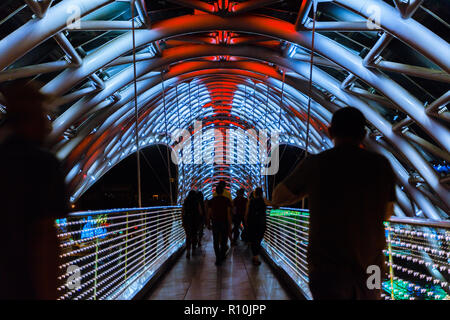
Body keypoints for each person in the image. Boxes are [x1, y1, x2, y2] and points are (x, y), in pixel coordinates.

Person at [272, 107, 396, 300]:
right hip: (372, 267)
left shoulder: (317, 163)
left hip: (328, 269)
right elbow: (388, 213)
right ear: (363, 134)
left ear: (330, 132)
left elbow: (279, 196)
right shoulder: (381, 165)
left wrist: (306, 191)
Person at [0, 80, 69, 299]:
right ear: (32, 118)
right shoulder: (43, 163)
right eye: (44, 116)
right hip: (25, 285)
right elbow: (45, 236)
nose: (48, 125)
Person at [207, 183, 232, 266]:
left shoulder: (211, 200)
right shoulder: (227, 200)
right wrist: (229, 224)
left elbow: (209, 213)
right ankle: (222, 255)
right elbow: (228, 214)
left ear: (216, 192)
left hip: (215, 223)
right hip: (224, 222)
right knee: (224, 240)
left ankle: (218, 258)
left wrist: (208, 223)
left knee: (216, 240)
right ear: (223, 191)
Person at [245, 187, 267, 266]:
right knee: (258, 240)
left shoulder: (250, 201)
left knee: (254, 240)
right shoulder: (264, 201)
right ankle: (256, 257)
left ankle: (255, 256)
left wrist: (246, 222)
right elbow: (272, 204)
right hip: (261, 224)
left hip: (252, 223)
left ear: (255, 193)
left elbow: (246, 213)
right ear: (261, 193)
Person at [182, 190, 201, 259]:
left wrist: (182, 221)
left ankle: (188, 251)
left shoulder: (186, 201)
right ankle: (193, 249)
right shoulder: (197, 202)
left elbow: (183, 211)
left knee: (188, 236)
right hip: (195, 220)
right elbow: (200, 211)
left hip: (187, 220)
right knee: (194, 235)